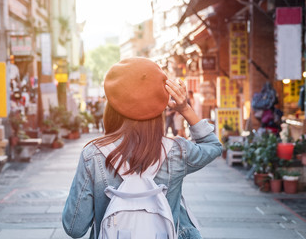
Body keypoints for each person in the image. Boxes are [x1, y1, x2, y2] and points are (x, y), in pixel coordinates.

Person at [62, 57, 222, 239]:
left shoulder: (93, 155)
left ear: (112, 106)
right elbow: (213, 145)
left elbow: (74, 227)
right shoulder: (176, 151)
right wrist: (184, 108)